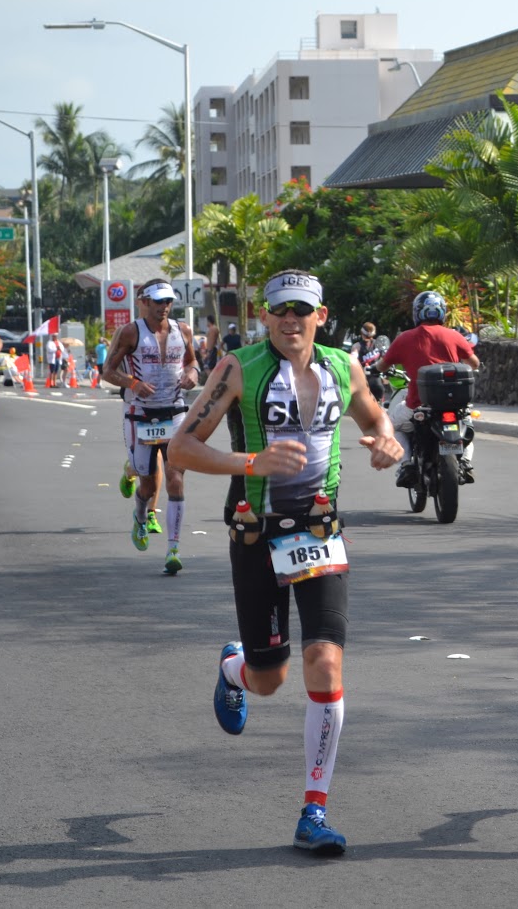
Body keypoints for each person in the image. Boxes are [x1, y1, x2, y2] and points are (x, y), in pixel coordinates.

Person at [168, 269, 401, 856]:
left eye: (303, 309)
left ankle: (314, 812)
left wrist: (386, 442)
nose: (291, 319)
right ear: (264, 316)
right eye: (280, 310)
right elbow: (182, 448)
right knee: (269, 681)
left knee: (324, 663)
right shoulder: (237, 369)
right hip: (255, 533)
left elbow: (373, 416)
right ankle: (235, 668)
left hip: (320, 531)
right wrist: (252, 462)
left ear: (321, 314)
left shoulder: (342, 366)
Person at [101, 279, 199, 573]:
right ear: (144, 301)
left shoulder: (184, 330)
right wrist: (133, 383)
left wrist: (192, 375)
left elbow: (193, 362)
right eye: (158, 302)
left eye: (168, 301)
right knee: (146, 480)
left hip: (175, 412)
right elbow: (108, 371)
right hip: (140, 413)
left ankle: (173, 548)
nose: (164, 307)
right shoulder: (131, 332)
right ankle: (141, 517)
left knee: (175, 478)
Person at [375, 295, 479, 485]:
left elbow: (381, 367)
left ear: (417, 312)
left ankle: (406, 465)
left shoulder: (405, 338)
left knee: (392, 426)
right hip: (455, 404)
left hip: (417, 403)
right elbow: (474, 363)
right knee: (467, 429)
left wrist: (376, 367)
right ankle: (465, 463)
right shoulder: (454, 335)